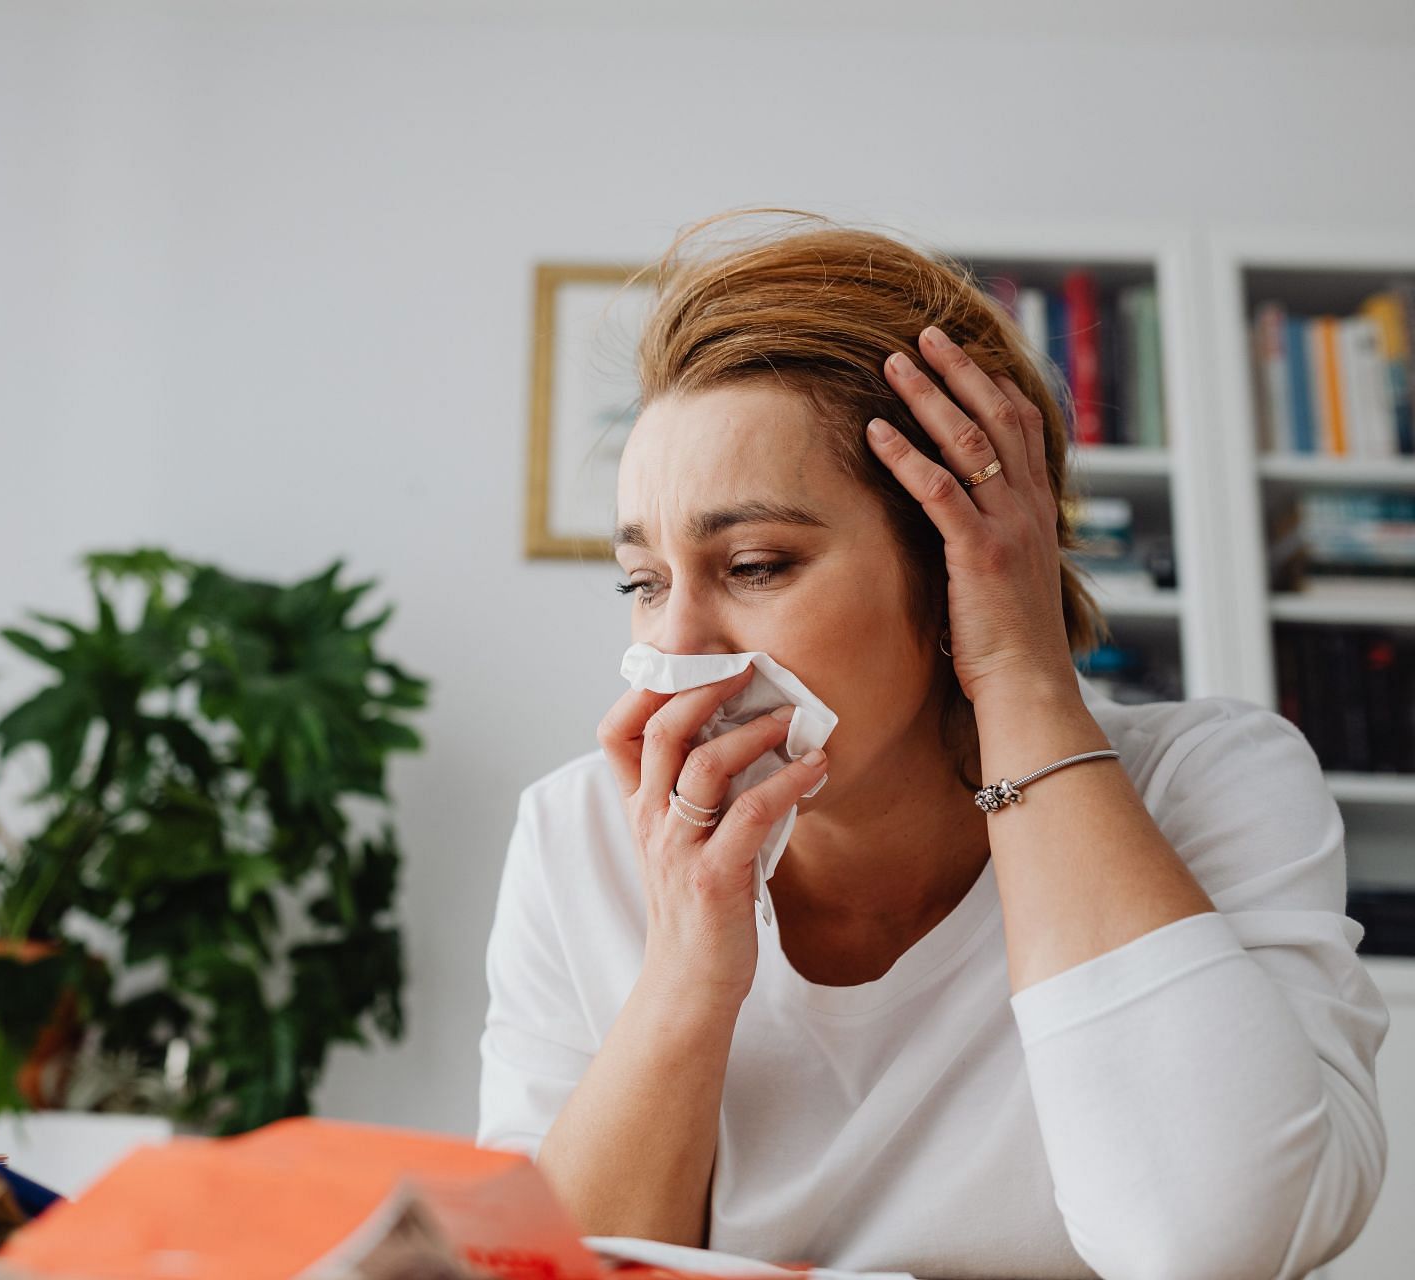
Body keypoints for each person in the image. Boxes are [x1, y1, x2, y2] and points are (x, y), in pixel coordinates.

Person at [476, 208, 1389, 1279]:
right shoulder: (575, 829)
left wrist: (1020, 669)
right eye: (644, 582)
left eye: (758, 564)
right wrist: (687, 958)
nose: (676, 648)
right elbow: (541, 1269)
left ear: (961, 560)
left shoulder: (1209, 783)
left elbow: (1217, 1243)